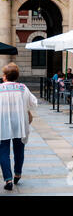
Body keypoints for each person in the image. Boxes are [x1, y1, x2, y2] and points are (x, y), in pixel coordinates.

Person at [0, 63, 37, 191]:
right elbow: (33, 102)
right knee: (19, 148)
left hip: (3, 122)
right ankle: (18, 174)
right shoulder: (22, 88)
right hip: (19, 122)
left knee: (3, 150)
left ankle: (8, 179)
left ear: (5, 76)